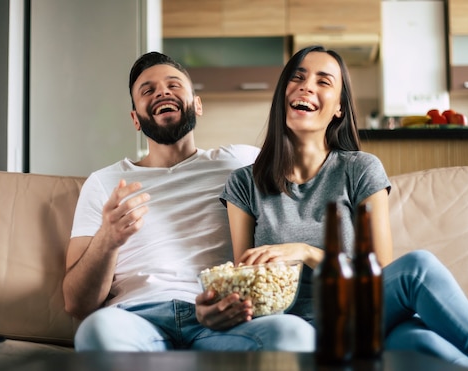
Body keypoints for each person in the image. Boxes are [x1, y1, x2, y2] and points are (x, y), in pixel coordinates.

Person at [219, 46, 468, 371]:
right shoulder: (244, 183)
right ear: (283, 94)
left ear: (339, 109)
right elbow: (245, 279)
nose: (306, 86)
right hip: (296, 328)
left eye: (323, 81)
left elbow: (379, 270)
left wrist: (306, 252)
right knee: (419, 314)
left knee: (423, 341)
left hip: (365, 313)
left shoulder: (360, 169)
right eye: (298, 77)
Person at [62, 51, 315, 352]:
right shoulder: (105, 182)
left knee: (295, 335)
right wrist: (108, 238)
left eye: (174, 84)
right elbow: (77, 303)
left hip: (225, 319)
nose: (162, 92)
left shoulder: (242, 161)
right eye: (148, 90)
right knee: (95, 331)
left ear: (197, 104)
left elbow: (308, 190)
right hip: (136, 319)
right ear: (135, 120)